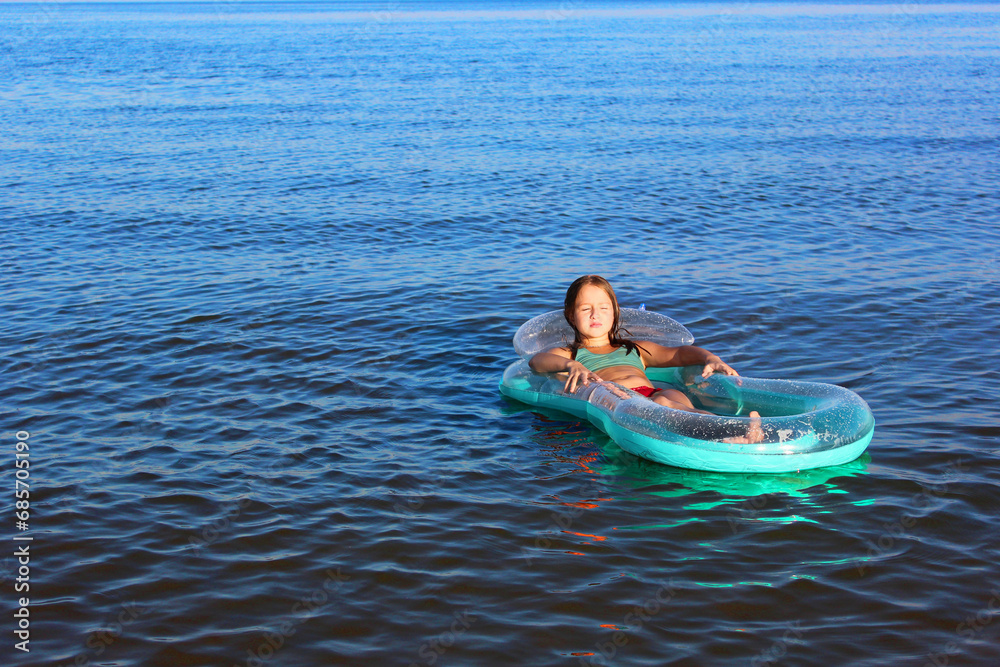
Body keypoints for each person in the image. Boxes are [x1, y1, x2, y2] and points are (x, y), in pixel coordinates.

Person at [528, 275, 763, 444]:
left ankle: (734, 431)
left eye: (603, 308)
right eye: (585, 308)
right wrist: (571, 365)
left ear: (615, 312)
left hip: (653, 392)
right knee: (665, 407)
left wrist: (710, 358)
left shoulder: (634, 349)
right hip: (622, 400)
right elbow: (537, 362)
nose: (595, 314)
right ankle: (729, 433)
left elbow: (678, 354)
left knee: (672, 401)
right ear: (571, 314)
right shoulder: (571, 354)